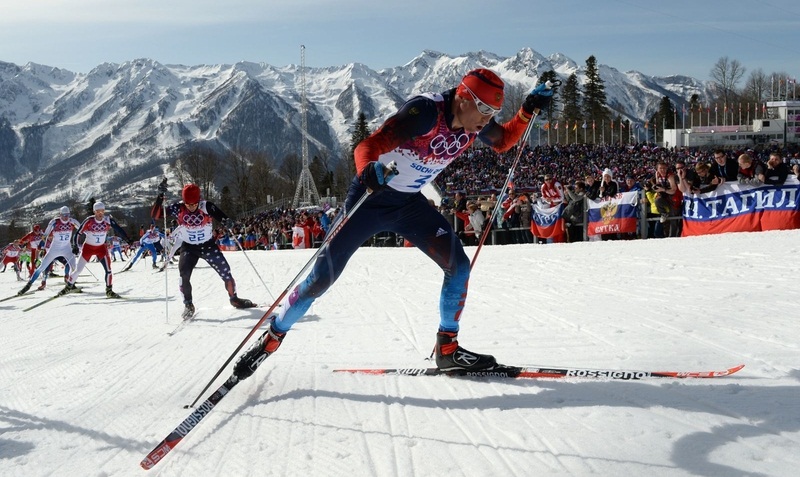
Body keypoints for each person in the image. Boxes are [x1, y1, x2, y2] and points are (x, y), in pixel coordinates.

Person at [233, 68, 553, 380]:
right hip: (370, 199)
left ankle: (448, 348)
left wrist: (525, 110)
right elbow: (367, 145)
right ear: (464, 97)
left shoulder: (473, 122)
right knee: (320, 279)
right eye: (484, 108)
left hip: (408, 203)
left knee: (458, 266)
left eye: (494, 110)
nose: (488, 117)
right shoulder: (426, 112)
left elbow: (504, 141)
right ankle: (273, 336)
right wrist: (368, 169)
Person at [151, 182, 256, 318]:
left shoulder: (206, 206)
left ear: (198, 200)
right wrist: (160, 197)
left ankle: (234, 299)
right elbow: (156, 215)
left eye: (194, 204)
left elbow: (221, 216)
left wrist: (227, 222)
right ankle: (188, 305)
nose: (191, 207)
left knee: (226, 272)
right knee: (184, 275)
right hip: (189, 247)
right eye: (188, 204)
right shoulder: (179, 208)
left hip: (208, 246)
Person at [58, 201, 130, 298]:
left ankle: (109, 290)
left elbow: (119, 229)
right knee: (78, 270)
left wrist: (128, 239)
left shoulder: (108, 220)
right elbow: (78, 233)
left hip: (101, 248)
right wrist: (75, 245)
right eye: (97, 211)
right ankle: (69, 286)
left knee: (108, 270)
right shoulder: (89, 221)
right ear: (94, 212)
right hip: (88, 248)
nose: (100, 214)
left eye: (102, 211)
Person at [18, 206, 81, 295]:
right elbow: (45, 235)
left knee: (74, 267)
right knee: (41, 267)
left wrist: (77, 244)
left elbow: (82, 230)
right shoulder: (54, 222)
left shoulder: (72, 222)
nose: (66, 217)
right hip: (54, 249)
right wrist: (39, 245)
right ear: (60, 215)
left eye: (67, 215)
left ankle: (71, 284)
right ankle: (28, 285)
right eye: (63, 215)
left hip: (67, 249)